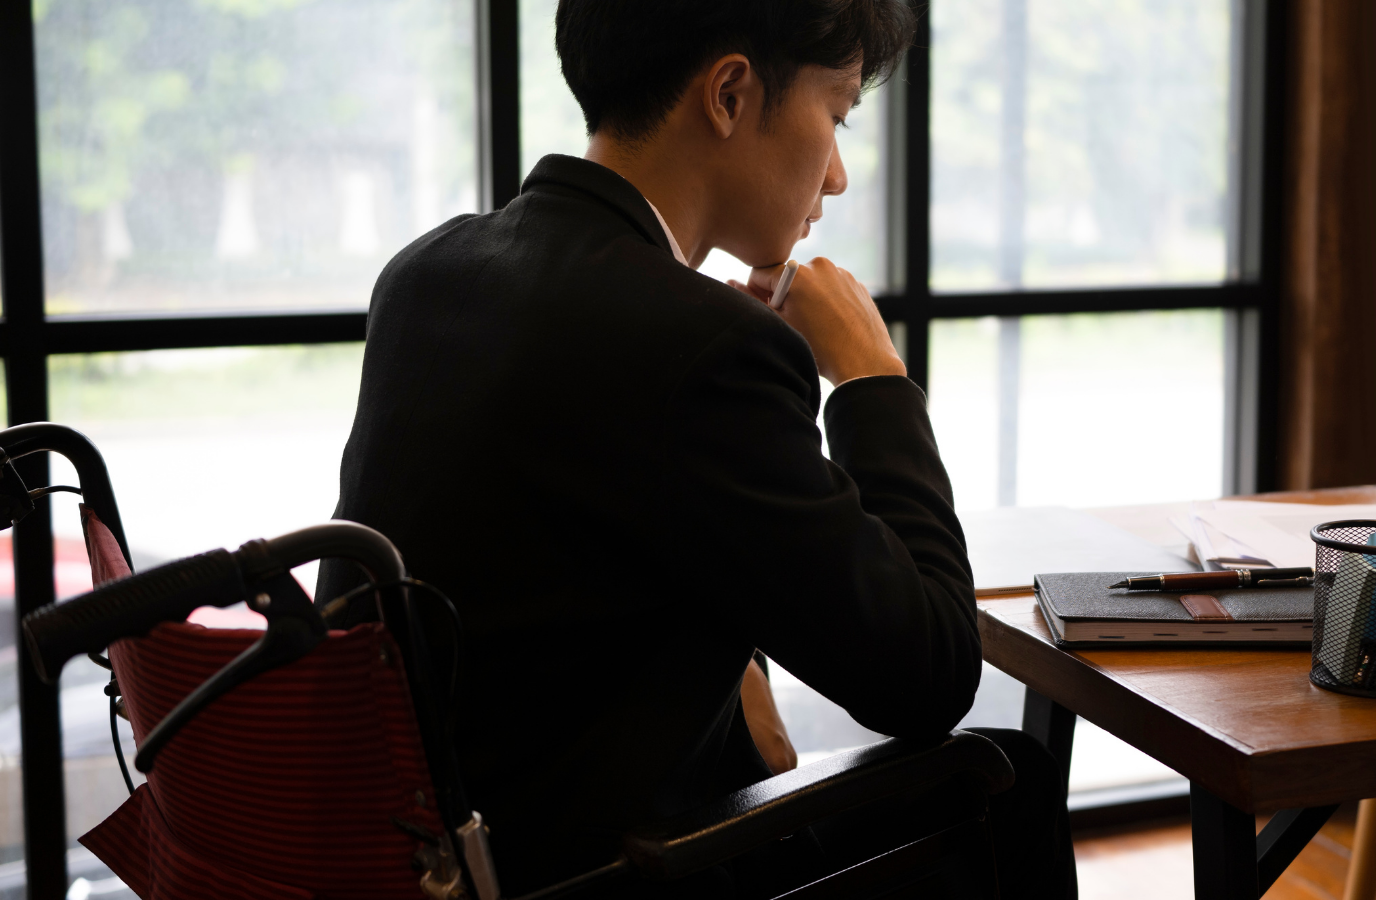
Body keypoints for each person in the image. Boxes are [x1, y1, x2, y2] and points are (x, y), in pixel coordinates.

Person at [317, 0, 1073, 896]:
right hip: (603, 871)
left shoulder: (426, 273)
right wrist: (873, 381)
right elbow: (932, 671)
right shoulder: (701, 350)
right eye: (834, 117)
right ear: (728, 94)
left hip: (420, 860)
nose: (835, 176)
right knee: (1003, 776)